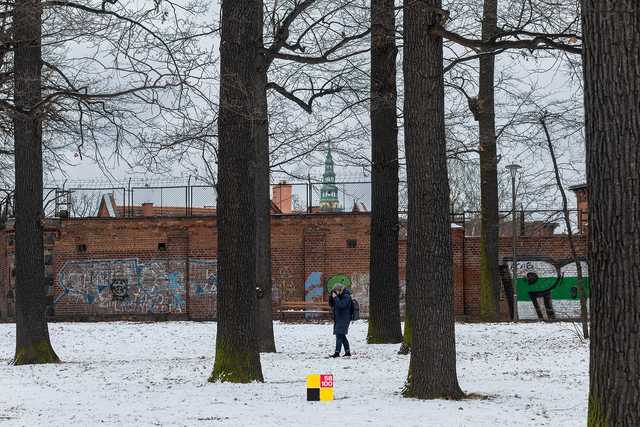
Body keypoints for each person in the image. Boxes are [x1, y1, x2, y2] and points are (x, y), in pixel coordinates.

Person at [328, 284, 352, 358]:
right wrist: (331, 297)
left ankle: (337, 353)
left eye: (336, 291)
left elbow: (342, 305)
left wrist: (336, 298)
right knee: (342, 335)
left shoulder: (346, 296)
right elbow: (331, 304)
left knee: (339, 334)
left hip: (344, 318)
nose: (335, 292)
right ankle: (347, 352)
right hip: (339, 318)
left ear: (339, 290)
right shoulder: (339, 297)